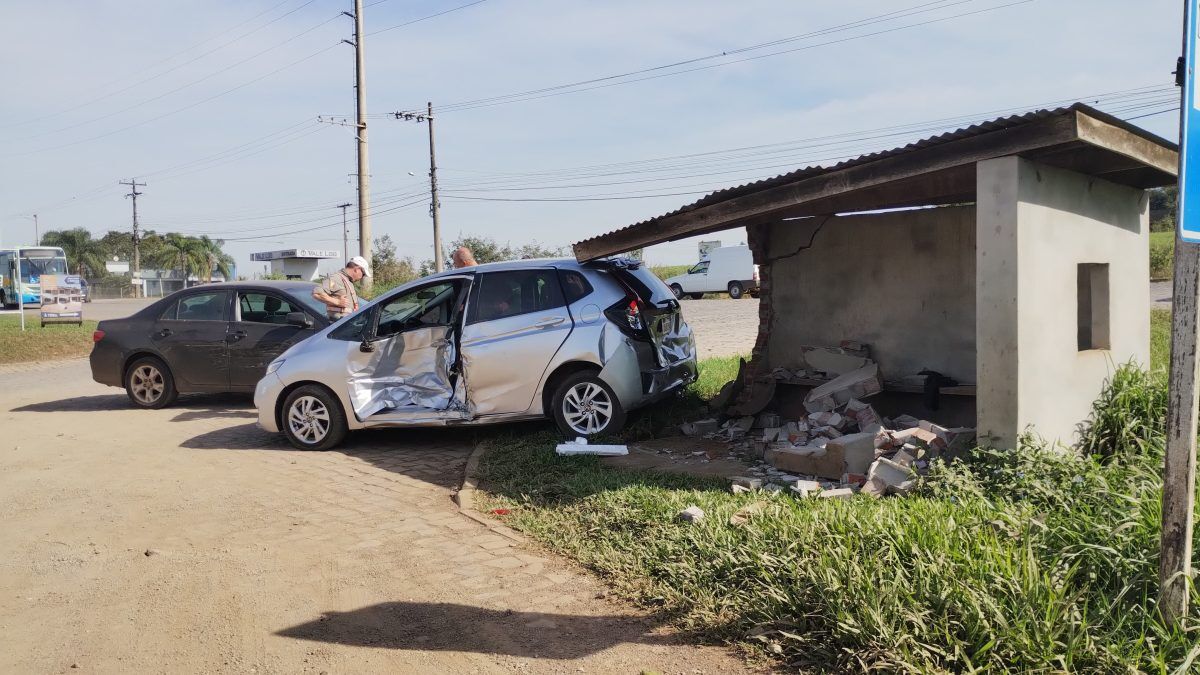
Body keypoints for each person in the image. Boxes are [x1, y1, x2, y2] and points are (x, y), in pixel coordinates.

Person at [313, 256, 371, 321]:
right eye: (363, 274)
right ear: (357, 269)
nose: (362, 277)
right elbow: (317, 293)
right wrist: (337, 302)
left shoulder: (348, 281)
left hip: (347, 324)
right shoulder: (336, 278)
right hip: (337, 325)